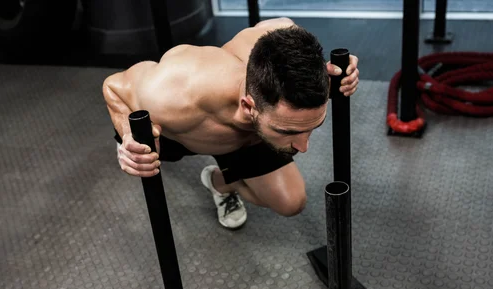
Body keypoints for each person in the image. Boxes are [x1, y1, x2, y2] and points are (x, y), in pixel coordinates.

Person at [103, 18, 359, 230]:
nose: (304, 147)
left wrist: (342, 76)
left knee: (291, 203)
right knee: (144, 150)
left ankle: (219, 182)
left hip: (251, 134)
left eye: (313, 127)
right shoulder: (173, 92)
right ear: (249, 106)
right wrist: (127, 133)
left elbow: (278, 25)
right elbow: (114, 87)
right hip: (179, 131)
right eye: (289, 131)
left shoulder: (290, 52)